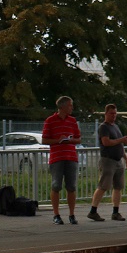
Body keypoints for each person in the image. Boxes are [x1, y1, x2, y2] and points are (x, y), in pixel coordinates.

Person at [88, 103, 127, 221]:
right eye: (111, 113)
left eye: (115, 113)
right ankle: (93, 210)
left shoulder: (116, 127)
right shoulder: (104, 127)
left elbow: (120, 145)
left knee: (118, 186)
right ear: (106, 114)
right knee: (103, 185)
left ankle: (116, 211)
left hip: (118, 160)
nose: (113, 116)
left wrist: (126, 159)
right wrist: (121, 140)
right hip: (108, 160)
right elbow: (106, 142)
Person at [42, 95, 82, 225]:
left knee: (71, 186)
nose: (72, 108)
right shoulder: (50, 120)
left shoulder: (72, 121)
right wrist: (58, 140)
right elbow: (44, 140)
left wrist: (70, 140)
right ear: (63, 106)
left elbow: (78, 138)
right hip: (57, 157)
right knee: (56, 185)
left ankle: (71, 214)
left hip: (71, 157)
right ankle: (56, 214)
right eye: (70, 105)